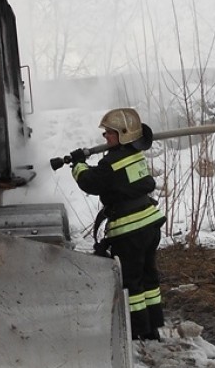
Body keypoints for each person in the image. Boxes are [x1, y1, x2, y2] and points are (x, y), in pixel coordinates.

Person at [67, 107, 166, 341]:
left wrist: (78, 164)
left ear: (122, 135)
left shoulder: (112, 162)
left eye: (109, 133)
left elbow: (90, 183)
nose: (105, 137)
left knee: (131, 282)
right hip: (149, 225)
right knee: (148, 277)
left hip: (130, 230)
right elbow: (111, 178)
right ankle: (152, 326)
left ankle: (136, 329)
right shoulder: (134, 156)